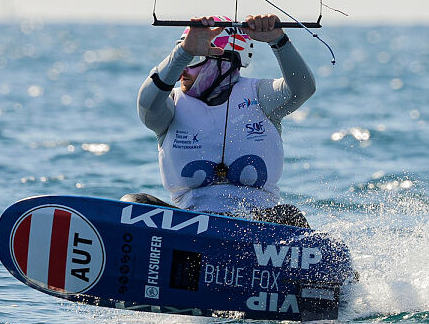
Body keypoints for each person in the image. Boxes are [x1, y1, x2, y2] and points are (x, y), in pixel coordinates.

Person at [125, 14, 316, 228]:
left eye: (195, 60)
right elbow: (146, 105)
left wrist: (278, 40)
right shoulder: (170, 104)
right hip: (189, 225)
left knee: (290, 215)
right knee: (133, 204)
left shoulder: (259, 95)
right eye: (185, 61)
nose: (182, 72)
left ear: (227, 62)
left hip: (257, 227)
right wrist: (183, 53)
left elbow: (303, 89)